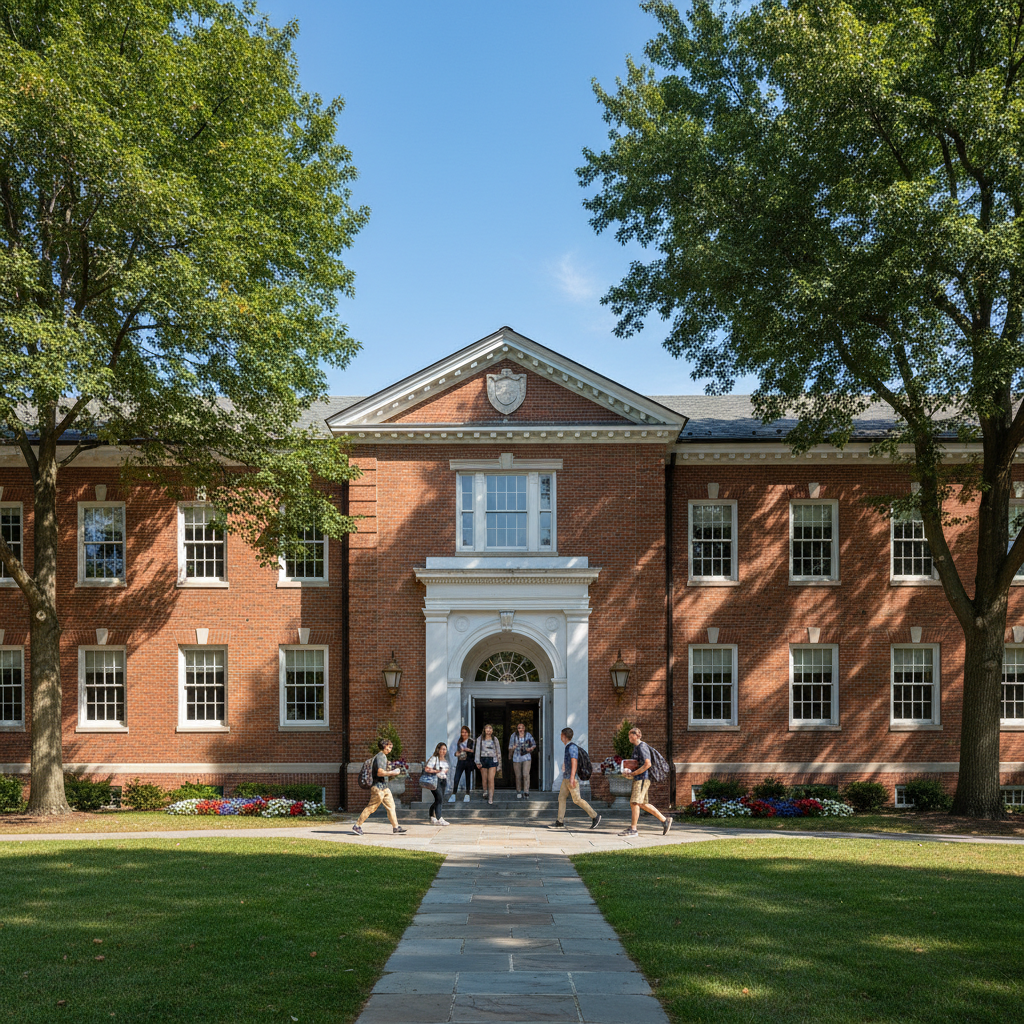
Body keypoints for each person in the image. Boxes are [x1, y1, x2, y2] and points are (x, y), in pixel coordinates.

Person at [620, 726, 671, 837]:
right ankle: (665, 820)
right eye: (628, 735)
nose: (629, 737)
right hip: (639, 778)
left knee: (634, 803)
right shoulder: (636, 747)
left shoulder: (642, 747)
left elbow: (648, 764)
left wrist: (633, 773)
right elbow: (637, 763)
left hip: (642, 779)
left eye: (631, 735)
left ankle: (633, 829)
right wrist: (629, 771)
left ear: (637, 735)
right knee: (642, 804)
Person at [352, 739, 407, 836]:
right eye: (389, 747)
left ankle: (396, 827)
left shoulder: (382, 757)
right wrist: (393, 772)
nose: (390, 749)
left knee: (391, 806)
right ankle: (357, 826)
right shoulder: (381, 756)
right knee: (371, 807)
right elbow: (380, 772)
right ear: (385, 746)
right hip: (378, 788)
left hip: (384, 788)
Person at [552, 727, 601, 829]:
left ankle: (595, 816)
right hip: (566, 778)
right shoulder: (568, 747)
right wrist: (565, 766)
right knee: (561, 798)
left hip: (571, 778)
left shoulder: (571, 747)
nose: (560, 736)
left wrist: (572, 777)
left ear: (564, 736)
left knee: (577, 799)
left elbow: (574, 761)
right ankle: (559, 821)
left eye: (561, 735)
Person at [423, 741, 450, 826]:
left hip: (443, 781)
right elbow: (427, 769)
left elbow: (446, 769)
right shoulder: (434, 758)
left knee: (439, 799)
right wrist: (436, 771)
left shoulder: (445, 760)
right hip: (435, 780)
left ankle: (432, 816)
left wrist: (445, 771)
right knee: (440, 799)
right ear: (438, 750)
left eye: (445, 749)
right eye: (442, 749)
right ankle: (439, 818)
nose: (443, 751)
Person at [475, 723, 502, 805]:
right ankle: (485, 791)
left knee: (491, 779)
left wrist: (499, 764)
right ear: (484, 730)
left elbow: (498, 751)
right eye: (487, 728)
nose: (489, 730)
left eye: (490, 728)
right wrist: (477, 761)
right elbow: (477, 750)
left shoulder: (495, 739)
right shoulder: (480, 739)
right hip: (483, 759)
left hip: (492, 760)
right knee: (484, 778)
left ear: (492, 730)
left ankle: (491, 798)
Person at [508, 720, 536, 799]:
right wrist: (513, 747)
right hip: (516, 758)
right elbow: (510, 747)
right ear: (517, 729)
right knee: (518, 776)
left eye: (522, 727)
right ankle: (519, 791)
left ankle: (526, 791)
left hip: (526, 757)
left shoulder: (528, 735)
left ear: (524, 728)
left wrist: (530, 749)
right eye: (519, 728)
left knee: (525, 774)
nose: (521, 729)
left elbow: (534, 745)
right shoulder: (513, 736)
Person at [448, 725, 475, 804]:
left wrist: (468, 750)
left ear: (468, 733)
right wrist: (457, 753)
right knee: (456, 777)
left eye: (465, 732)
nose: (464, 734)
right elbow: (455, 753)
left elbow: (475, 751)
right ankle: (453, 794)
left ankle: (467, 794)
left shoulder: (471, 741)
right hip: (460, 761)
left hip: (468, 761)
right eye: (463, 732)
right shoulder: (458, 741)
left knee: (467, 778)